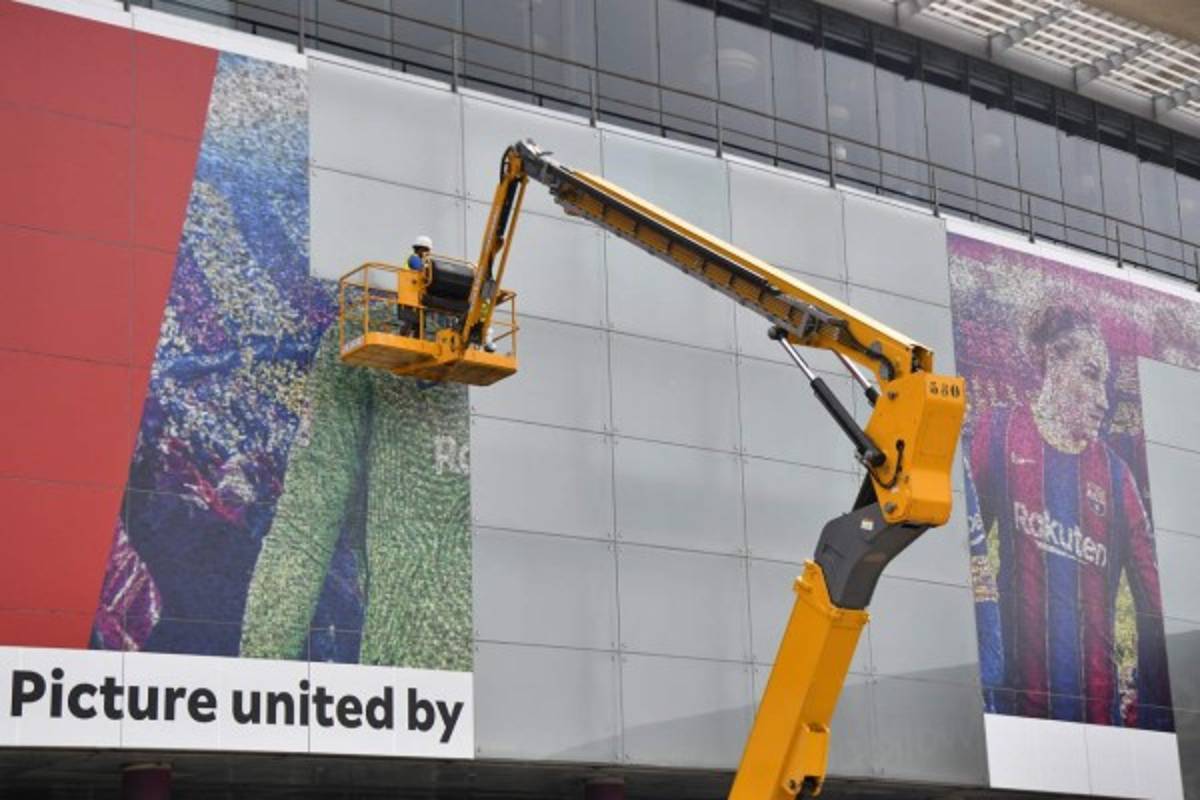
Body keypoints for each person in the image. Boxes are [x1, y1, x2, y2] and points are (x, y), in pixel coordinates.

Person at [965, 304, 1173, 730]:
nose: (1103, 400)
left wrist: (1152, 713)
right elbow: (968, 555)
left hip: (1096, 716)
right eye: (1091, 374)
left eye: (1107, 383)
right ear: (1053, 362)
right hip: (1013, 707)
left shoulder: (1117, 476)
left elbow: (1155, 604)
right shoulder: (1000, 431)